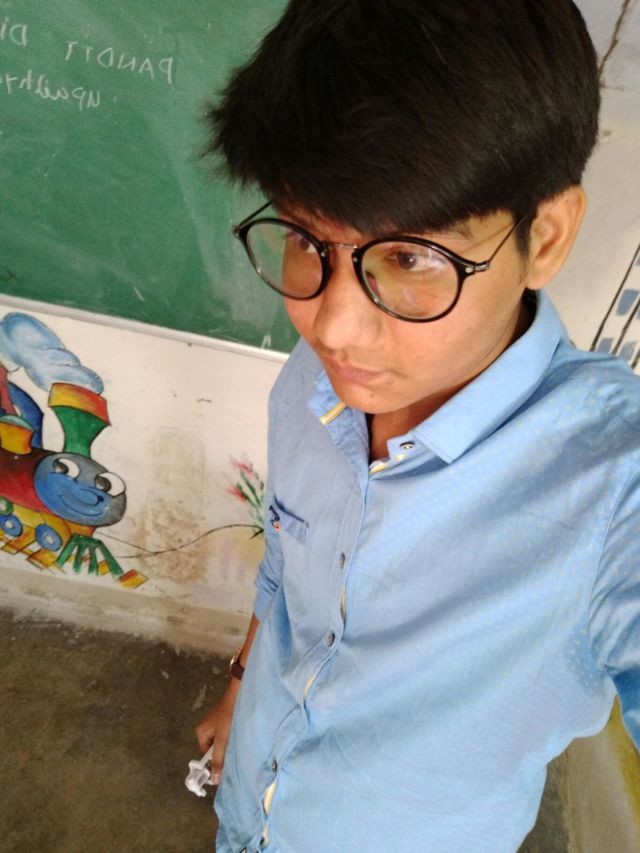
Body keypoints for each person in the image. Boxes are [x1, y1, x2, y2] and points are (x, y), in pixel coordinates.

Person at [196, 2, 640, 850]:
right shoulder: (312, 385)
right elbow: (286, 566)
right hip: (247, 812)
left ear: (545, 237)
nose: (331, 326)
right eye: (304, 238)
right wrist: (242, 685)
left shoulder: (611, 487)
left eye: (409, 258)